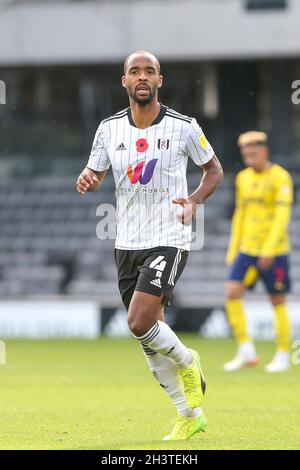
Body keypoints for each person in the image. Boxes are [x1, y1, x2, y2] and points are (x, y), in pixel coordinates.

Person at [76, 50, 223, 440]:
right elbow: (94, 169)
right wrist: (88, 178)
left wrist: (193, 201)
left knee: (139, 321)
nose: (142, 77)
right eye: (134, 72)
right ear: (124, 81)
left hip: (169, 237)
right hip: (126, 241)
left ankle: (189, 361)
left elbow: (214, 169)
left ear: (160, 80)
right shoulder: (108, 129)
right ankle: (189, 415)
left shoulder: (184, 127)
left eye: (150, 72)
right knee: (147, 336)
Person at [224, 131, 293, 372]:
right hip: (247, 250)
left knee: (277, 300)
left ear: (264, 151)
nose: (248, 156)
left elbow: (282, 217)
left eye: (253, 152)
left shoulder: (280, 178)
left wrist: (269, 249)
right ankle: (246, 350)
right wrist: (233, 249)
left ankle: (283, 354)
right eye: (245, 153)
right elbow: (240, 215)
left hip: (274, 251)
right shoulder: (242, 178)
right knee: (232, 293)